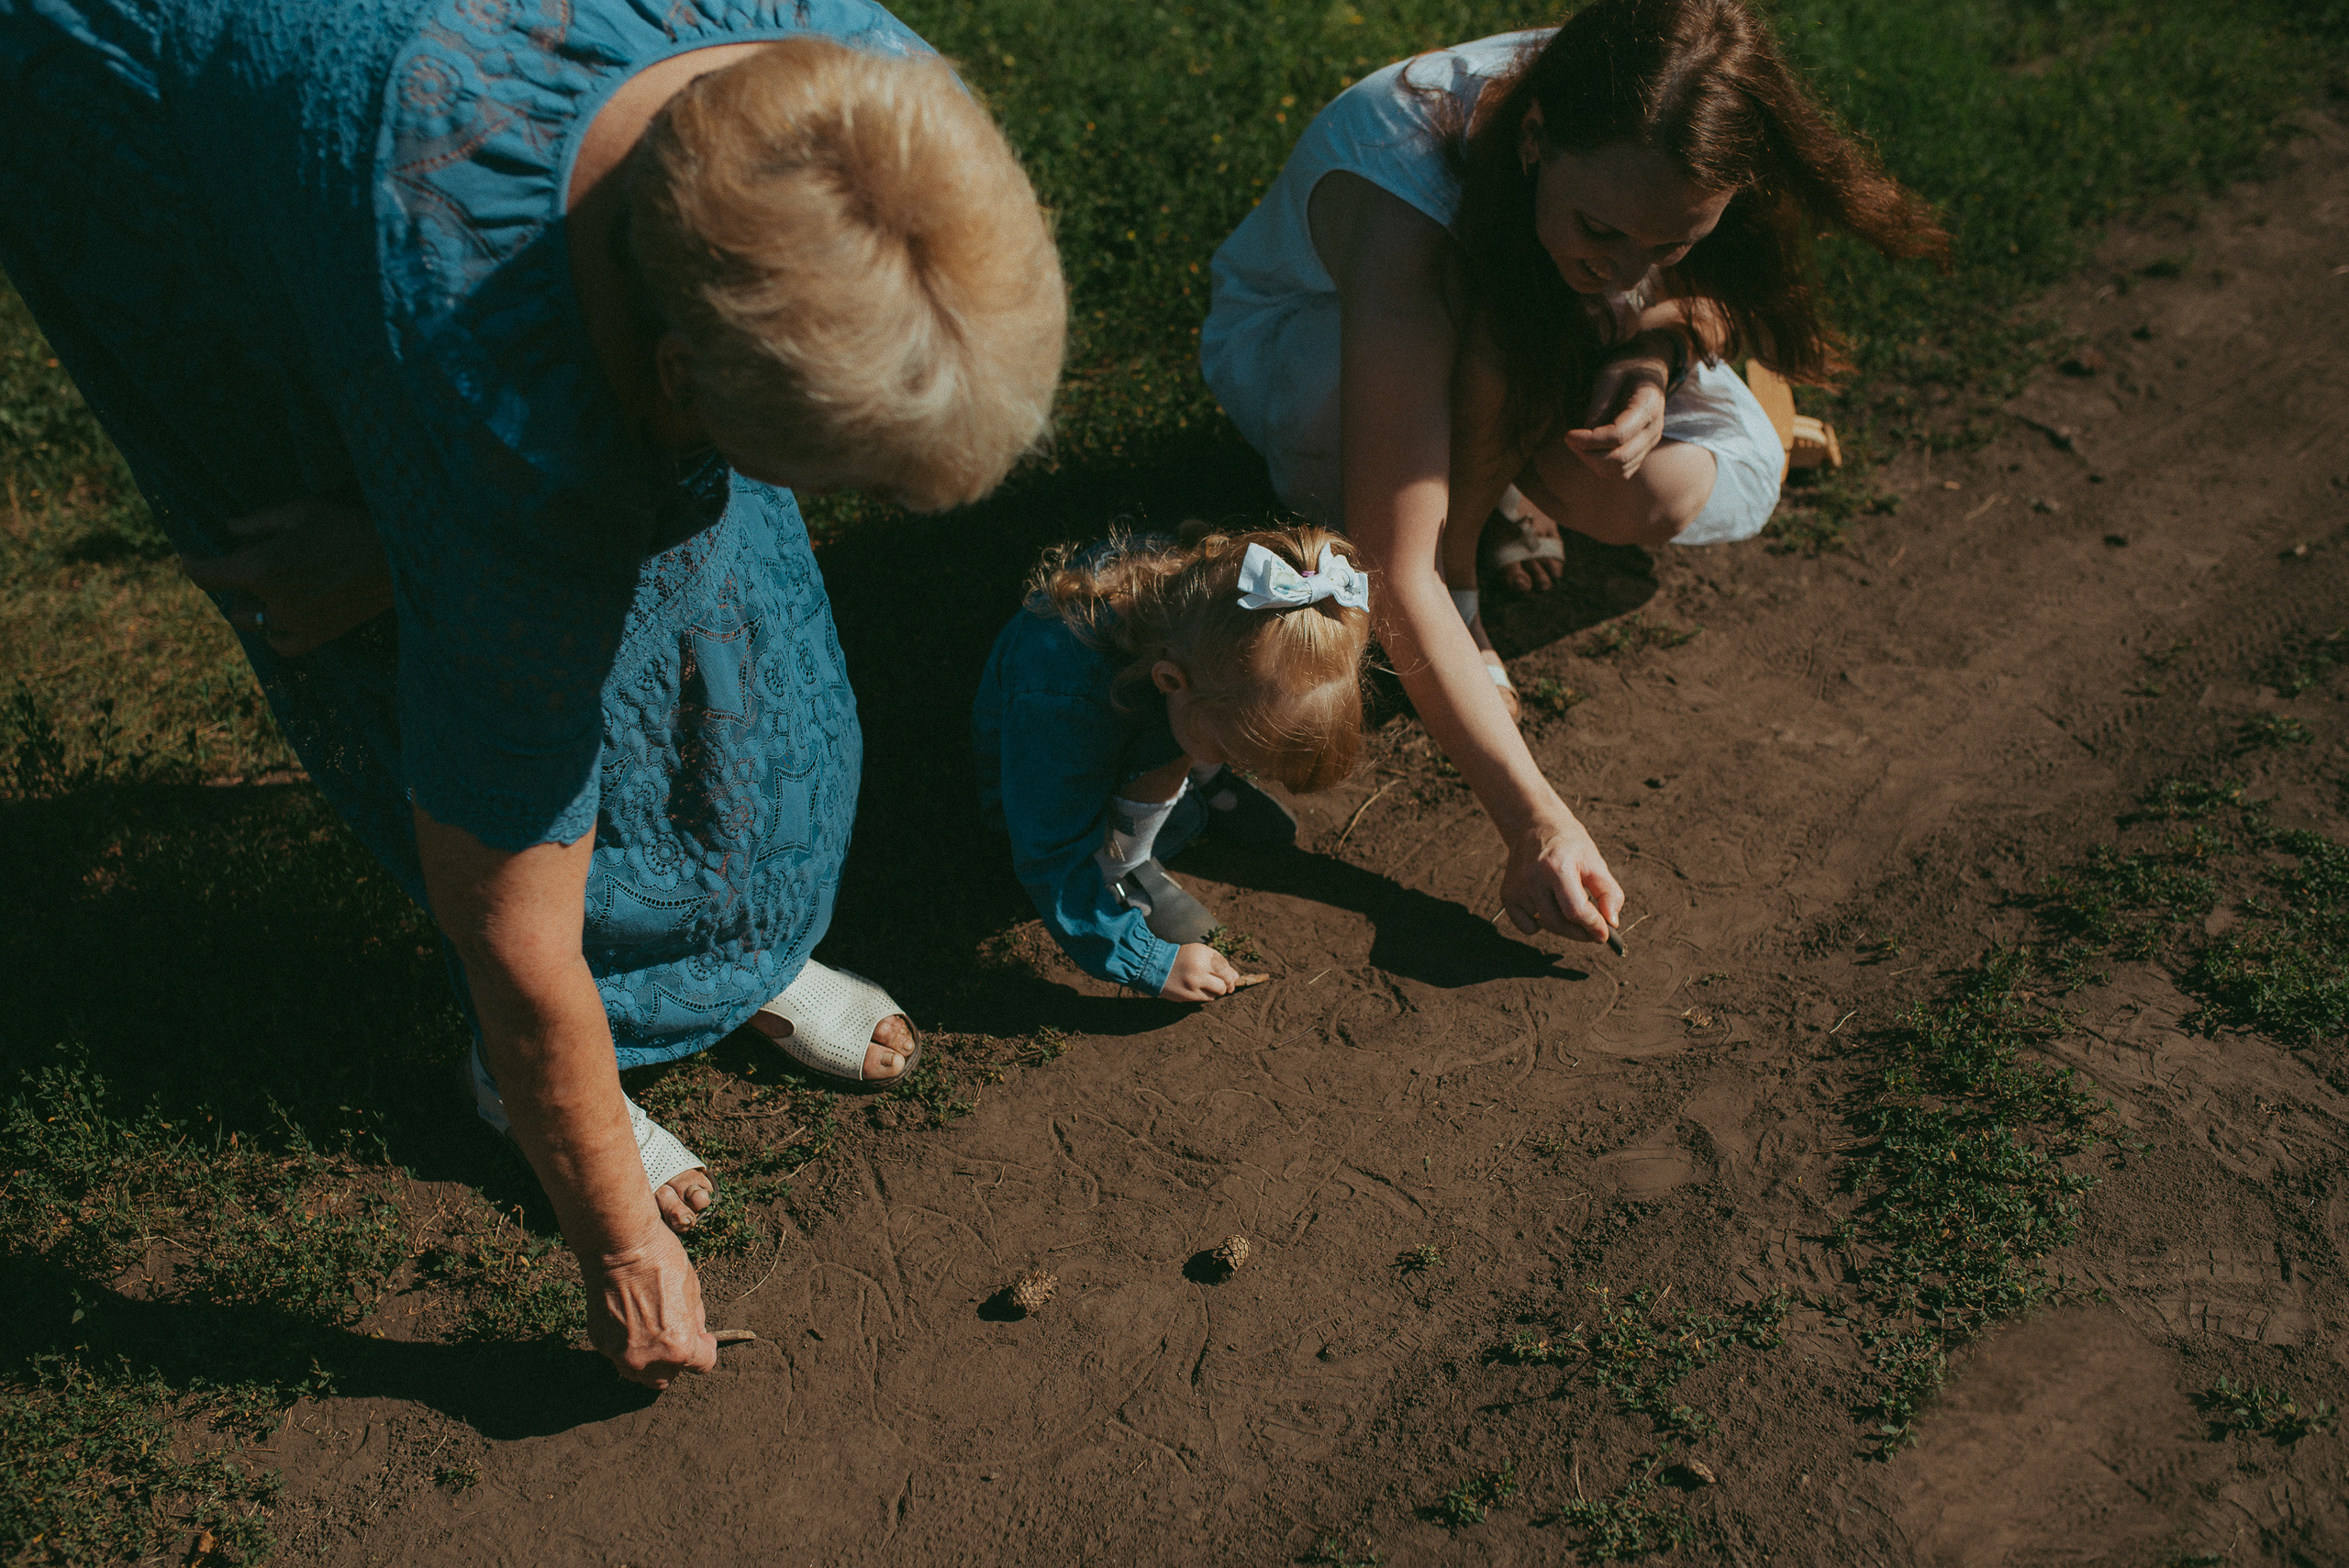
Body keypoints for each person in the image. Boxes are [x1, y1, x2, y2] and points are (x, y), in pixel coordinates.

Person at [0, 2, 1064, 1388]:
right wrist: (618, 1243)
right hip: (175, 110)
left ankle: (723, 950)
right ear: (673, 375)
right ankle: (550, 1082)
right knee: (466, 597)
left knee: (696, 571)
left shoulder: (863, 102)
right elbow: (508, 908)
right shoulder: (488, 394)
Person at [1200, 0, 1948, 944]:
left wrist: (1651, 358)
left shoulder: (1695, 133)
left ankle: (1504, 469)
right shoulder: (1402, 189)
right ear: (1537, 139)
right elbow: (1394, 567)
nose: (1627, 268)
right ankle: (1476, 540)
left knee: (1650, 493)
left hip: (1544, 341)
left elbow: (1704, 299)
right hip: (1321, 350)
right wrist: (1536, 821)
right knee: (1414, 517)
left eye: (1670, 243)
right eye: (1602, 228)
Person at [973, 526, 1373, 1000]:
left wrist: (1212, 745)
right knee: (1183, 744)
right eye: (1232, 753)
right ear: (1169, 680)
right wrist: (1148, 960)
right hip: (1044, 774)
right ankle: (1123, 866)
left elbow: (1197, 710)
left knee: (1199, 728)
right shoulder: (1059, 705)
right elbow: (1049, 853)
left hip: (1174, 709)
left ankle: (1201, 772)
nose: (1245, 764)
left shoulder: (1208, 621)